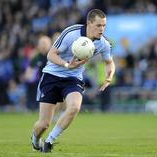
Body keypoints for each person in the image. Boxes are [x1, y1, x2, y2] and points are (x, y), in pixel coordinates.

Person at [31, 9, 115, 153]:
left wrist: (109, 75)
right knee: (44, 124)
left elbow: (109, 62)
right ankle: (35, 138)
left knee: (75, 107)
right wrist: (66, 65)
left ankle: (49, 141)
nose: (102, 29)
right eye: (98, 25)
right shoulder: (71, 33)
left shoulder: (103, 43)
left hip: (73, 78)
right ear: (89, 23)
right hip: (51, 75)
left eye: (104, 26)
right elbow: (50, 55)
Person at [24, 36, 52, 111]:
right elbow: (29, 71)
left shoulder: (52, 55)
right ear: (38, 45)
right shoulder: (36, 57)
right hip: (42, 83)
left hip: (54, 81)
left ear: (50, 44)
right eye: (42, 43)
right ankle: (31, 107)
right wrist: (28, 76)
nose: (43, 45)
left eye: (45, 43)